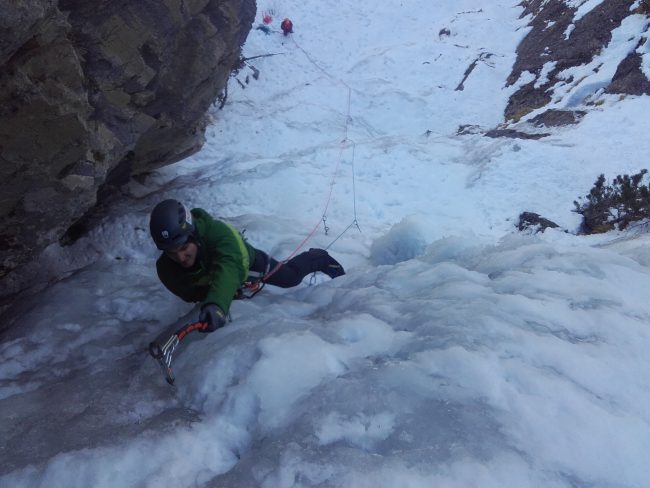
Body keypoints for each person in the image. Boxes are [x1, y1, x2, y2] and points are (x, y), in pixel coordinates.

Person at [149, 199, 345, 332]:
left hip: (249, 264)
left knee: (290, 278)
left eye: (184, 248)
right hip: (225, 280)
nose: (181, 257)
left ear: (195, 236)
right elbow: (191, 294)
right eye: (172, 253)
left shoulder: (218, 233)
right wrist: (219, 296)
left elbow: (229, 266)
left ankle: (317, 257)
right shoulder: (166, 270)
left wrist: (217, 303)